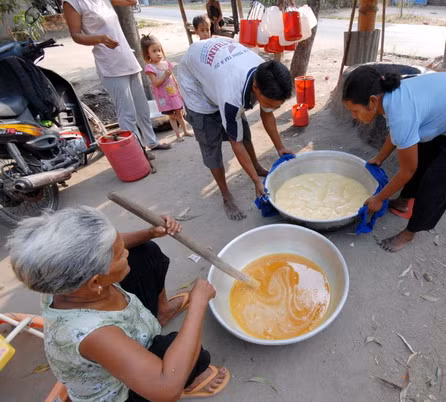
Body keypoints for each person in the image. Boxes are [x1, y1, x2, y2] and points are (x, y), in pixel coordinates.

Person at [8, 207, 230, 401]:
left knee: (145, 252)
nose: (125, 251)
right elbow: (166, 388)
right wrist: (198, 304)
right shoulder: (93, 334)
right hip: (120, 391)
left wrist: (148, 233)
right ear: (96, 281)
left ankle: (161, 313)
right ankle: (190, 381)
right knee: (176, 349)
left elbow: (114, 245)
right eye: (118, 253)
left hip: (119, 318)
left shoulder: (64, 280)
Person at [343, 67, 446, 252]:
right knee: (422, 153)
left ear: (373, 101)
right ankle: (403, 201)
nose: (353, 116)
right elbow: (398, 133)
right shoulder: (390, 95)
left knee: (438, 178)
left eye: (354, 110)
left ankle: (410, 233)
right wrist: (380, 157)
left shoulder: (401, 113)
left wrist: (379, 198)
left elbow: (407, 169)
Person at [178, 38, 293, 221]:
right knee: (211, 145)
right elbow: (236, 143)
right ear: (255, 87)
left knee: (243, 131)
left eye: (276, 105)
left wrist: (280, 147)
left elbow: (267, 114)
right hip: (196, 85)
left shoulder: (266, 73)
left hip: (217, 68)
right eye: (269, 103)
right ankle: (226, 195)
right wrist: (256, 182)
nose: (272, 107)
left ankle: (256, 167)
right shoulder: (232, 95)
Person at [63, 0, 172, 157]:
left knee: (142, 109)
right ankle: (138, 151)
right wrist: (99, 39)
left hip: (127, 59)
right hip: (110, 65)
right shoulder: (74, 3)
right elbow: (76, 35)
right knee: (127, 113)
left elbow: (132, 2)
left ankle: (152, 142)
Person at [141, 34, 192, 142]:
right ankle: (178, 135)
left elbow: (174, 79)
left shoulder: (166, 64)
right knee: (172, 117)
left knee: (179, 114)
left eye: (159, 50)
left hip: (173, 94)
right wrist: (164, 76)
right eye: (154, 51)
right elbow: (155, 83)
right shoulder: (150, 68)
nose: (158, 53)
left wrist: (179, 91)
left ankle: (185, 131)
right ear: (147, 54)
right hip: (164, 97)